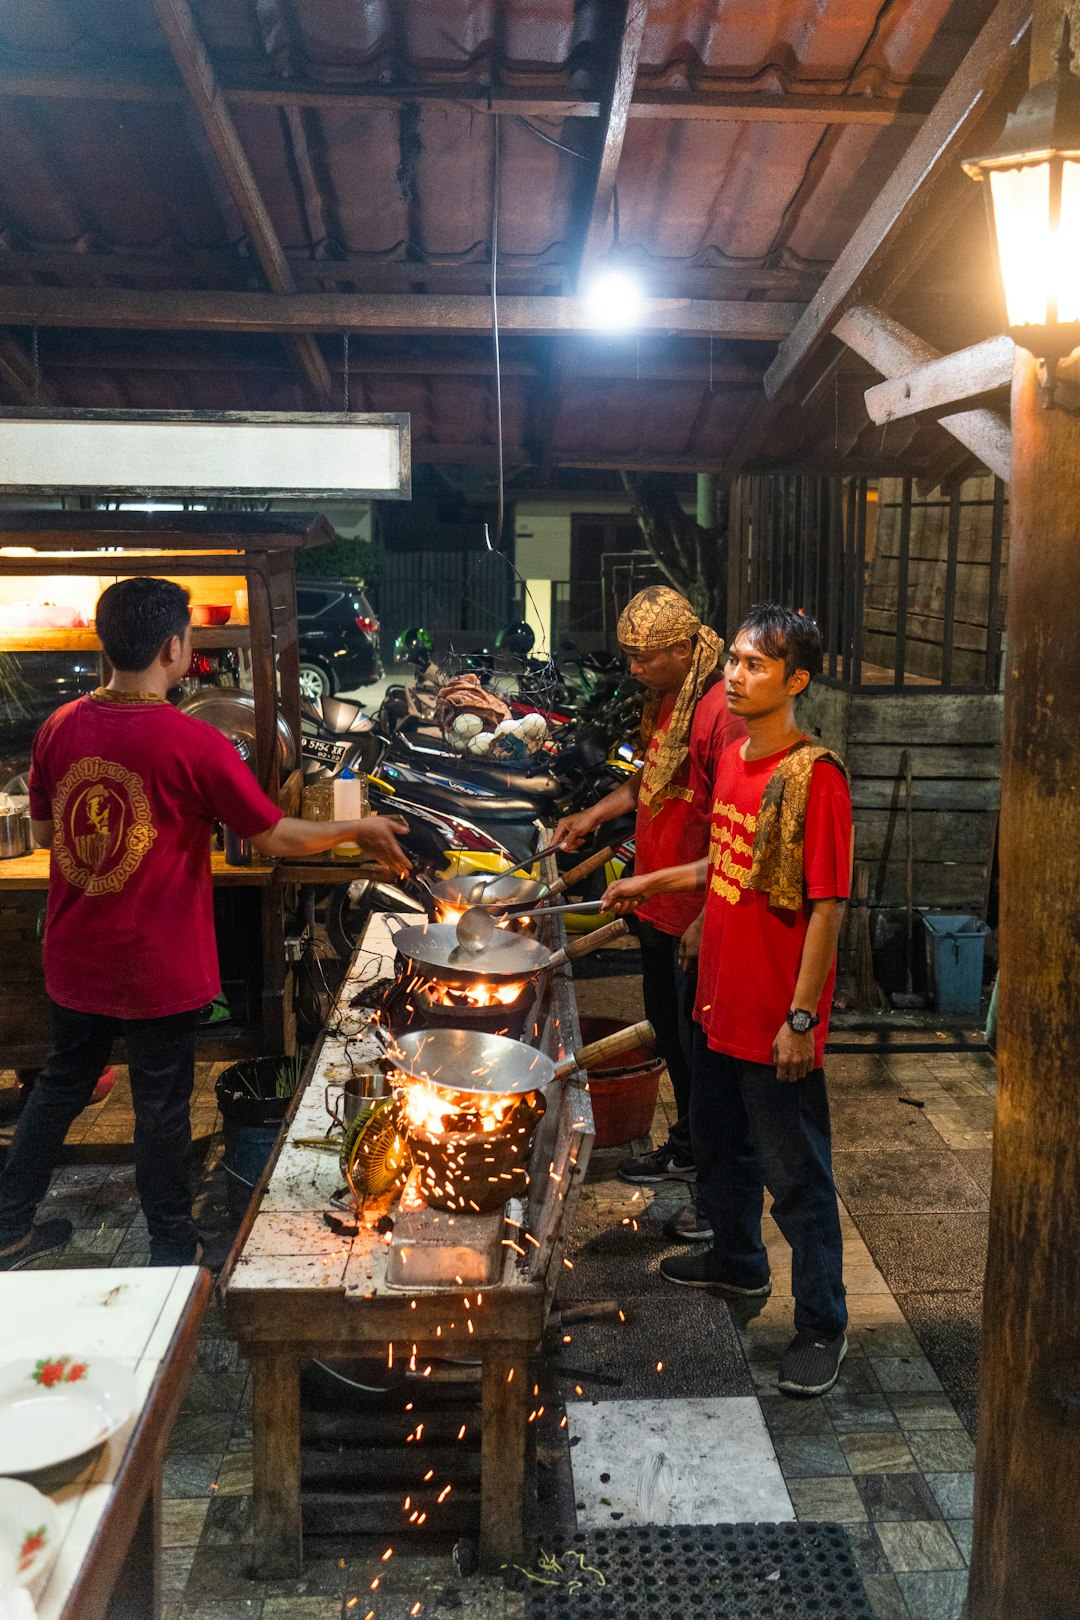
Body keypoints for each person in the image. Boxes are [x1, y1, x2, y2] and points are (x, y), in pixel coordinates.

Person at [0, 577, 411, 1272]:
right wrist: (362, 825)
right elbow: (275, 836)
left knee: (61, 1085)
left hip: (73, 953)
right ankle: (171, 1245)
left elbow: (43, 830)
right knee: (160, 1102)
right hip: (154, 960)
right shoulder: (193, 742)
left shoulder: (59, 726)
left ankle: (8, 1225)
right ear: (175, 647)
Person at [602, 606, 852, 1397]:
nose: (737, 677)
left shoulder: (816, 776)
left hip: (773, 1018)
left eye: (756, 666)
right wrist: (653, 880)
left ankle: (822, 1324)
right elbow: (726, 861)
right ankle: (737, 1267)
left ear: (797, 681)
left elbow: (827, 907)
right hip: (715, 1003)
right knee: (721, 1149)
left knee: (800, 1183)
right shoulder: (740, 756)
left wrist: (801, 1019)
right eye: (736, 661)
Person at [552, 586, 744, 1240]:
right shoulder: (669, 700)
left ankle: (721, 1207)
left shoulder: (720, 713)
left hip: (697, 919)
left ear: (686, 649)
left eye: (645, 658)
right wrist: (592, 815)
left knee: (707, 1061)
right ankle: (689, 1148)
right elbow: (647, 785)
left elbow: (732, 827)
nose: (633, 668)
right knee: (672, 1037)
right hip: (659, 907)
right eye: (628, 656)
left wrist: (702, 918)